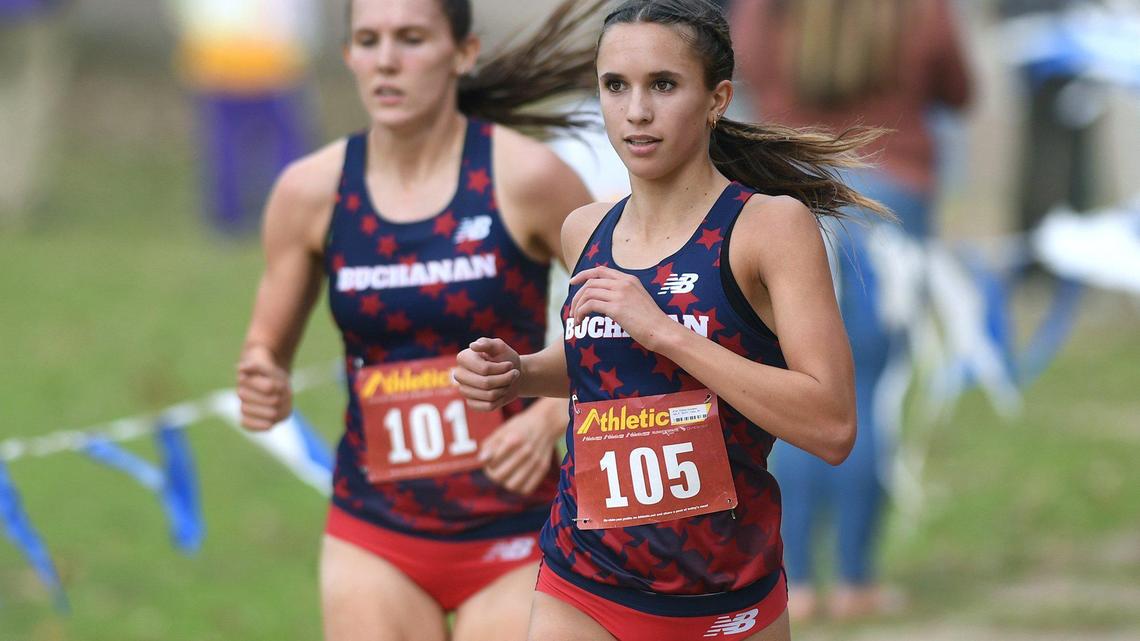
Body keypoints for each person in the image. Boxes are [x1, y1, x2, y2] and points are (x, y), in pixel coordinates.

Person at [453, 1, 889, 639]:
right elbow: (610, 365)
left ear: (717, 99)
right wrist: (520, 373)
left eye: (663, 85)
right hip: (582, 581)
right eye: (615, 86)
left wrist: (664, 331)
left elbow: (831, 425)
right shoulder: (585, 230)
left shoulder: (768, 228)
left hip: (724, 598)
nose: (636, 111)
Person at [234, 0, 598, 639]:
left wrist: (548, 418)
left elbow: (620, 326)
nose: (387, 61)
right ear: (348, 56)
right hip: (374, 531)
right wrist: (262, 377)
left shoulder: (528, 178)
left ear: (463, 53)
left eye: (410, 39)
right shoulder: (310, 192)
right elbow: (265, 347)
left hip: (520, 528)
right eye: (368, 41)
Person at [731, 0, 973, 620]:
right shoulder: (920, 9)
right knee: (868, 389)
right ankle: (856, 578)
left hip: (792, 190)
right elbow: (959, 88)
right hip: (892, 199)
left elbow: (745, 66)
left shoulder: (768, 8)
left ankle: (797, 578)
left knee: (791, 388)